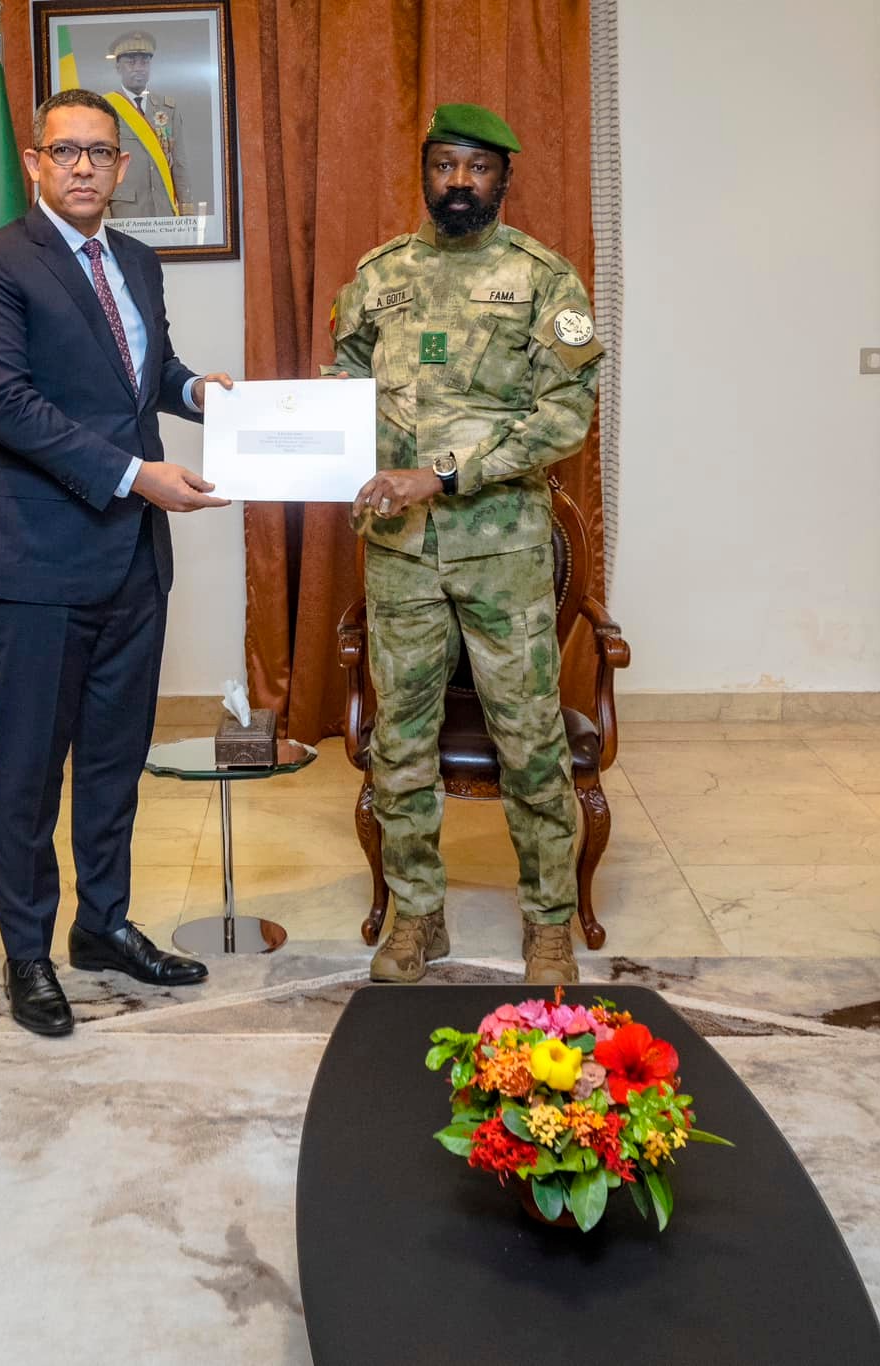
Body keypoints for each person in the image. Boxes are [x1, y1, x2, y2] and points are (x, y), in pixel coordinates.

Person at [0, 88, 231, 1036]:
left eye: (99, 154)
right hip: (32, 561)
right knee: (26, 772)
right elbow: (8, 406)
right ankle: (27, 955)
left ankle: (102, 926)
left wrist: (204, 392)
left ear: (119, 168)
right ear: (33, 163)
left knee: (113, 762)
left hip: (131, 565)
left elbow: (145, 377)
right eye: (63, 151)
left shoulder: (138, 262)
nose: (81, 168)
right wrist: (135, 475)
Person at [329, 103, 602, 987]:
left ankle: (550, 924)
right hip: (399, 555)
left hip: (503, 553)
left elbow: (566, 414)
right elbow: (340, 391)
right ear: (425, 173)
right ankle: (416, 919)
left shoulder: (544, 281)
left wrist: (442, 475)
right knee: (400, 746)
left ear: (503, 179)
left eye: (477, 169)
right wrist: (296, 440)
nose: (459, 182)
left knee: (530, 742)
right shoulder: (378, 276)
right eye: (445, 165)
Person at [102, 30, 187, 219]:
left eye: (144, 62)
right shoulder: (105, 109)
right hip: (124, 210)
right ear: (118, 67)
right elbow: (101, 163)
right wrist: (102, 210)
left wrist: (186, 207)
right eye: (131, 62)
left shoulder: (167, 108)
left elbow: (179, 162)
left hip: (163, 207)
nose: (139, 68)